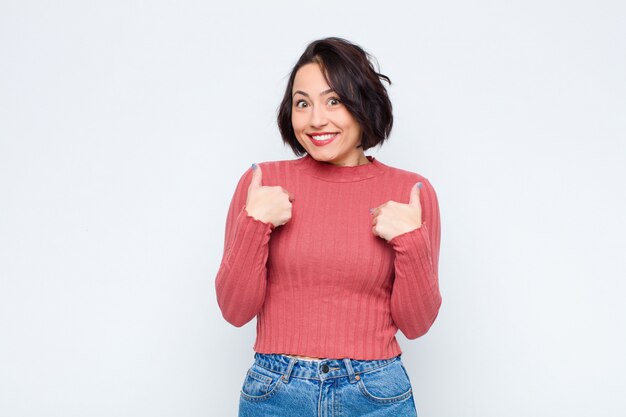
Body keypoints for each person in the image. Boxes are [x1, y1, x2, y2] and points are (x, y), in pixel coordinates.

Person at [215, 37, 442, 417]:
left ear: (363, 105)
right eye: (303, 103)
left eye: (333, 101)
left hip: (374, 392)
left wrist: (410, 242)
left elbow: (416, 324)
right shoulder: (261, 183)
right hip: (275, 390)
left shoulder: (410, 192)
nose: (316, 119)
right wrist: (255, 224)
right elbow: (235, 310)